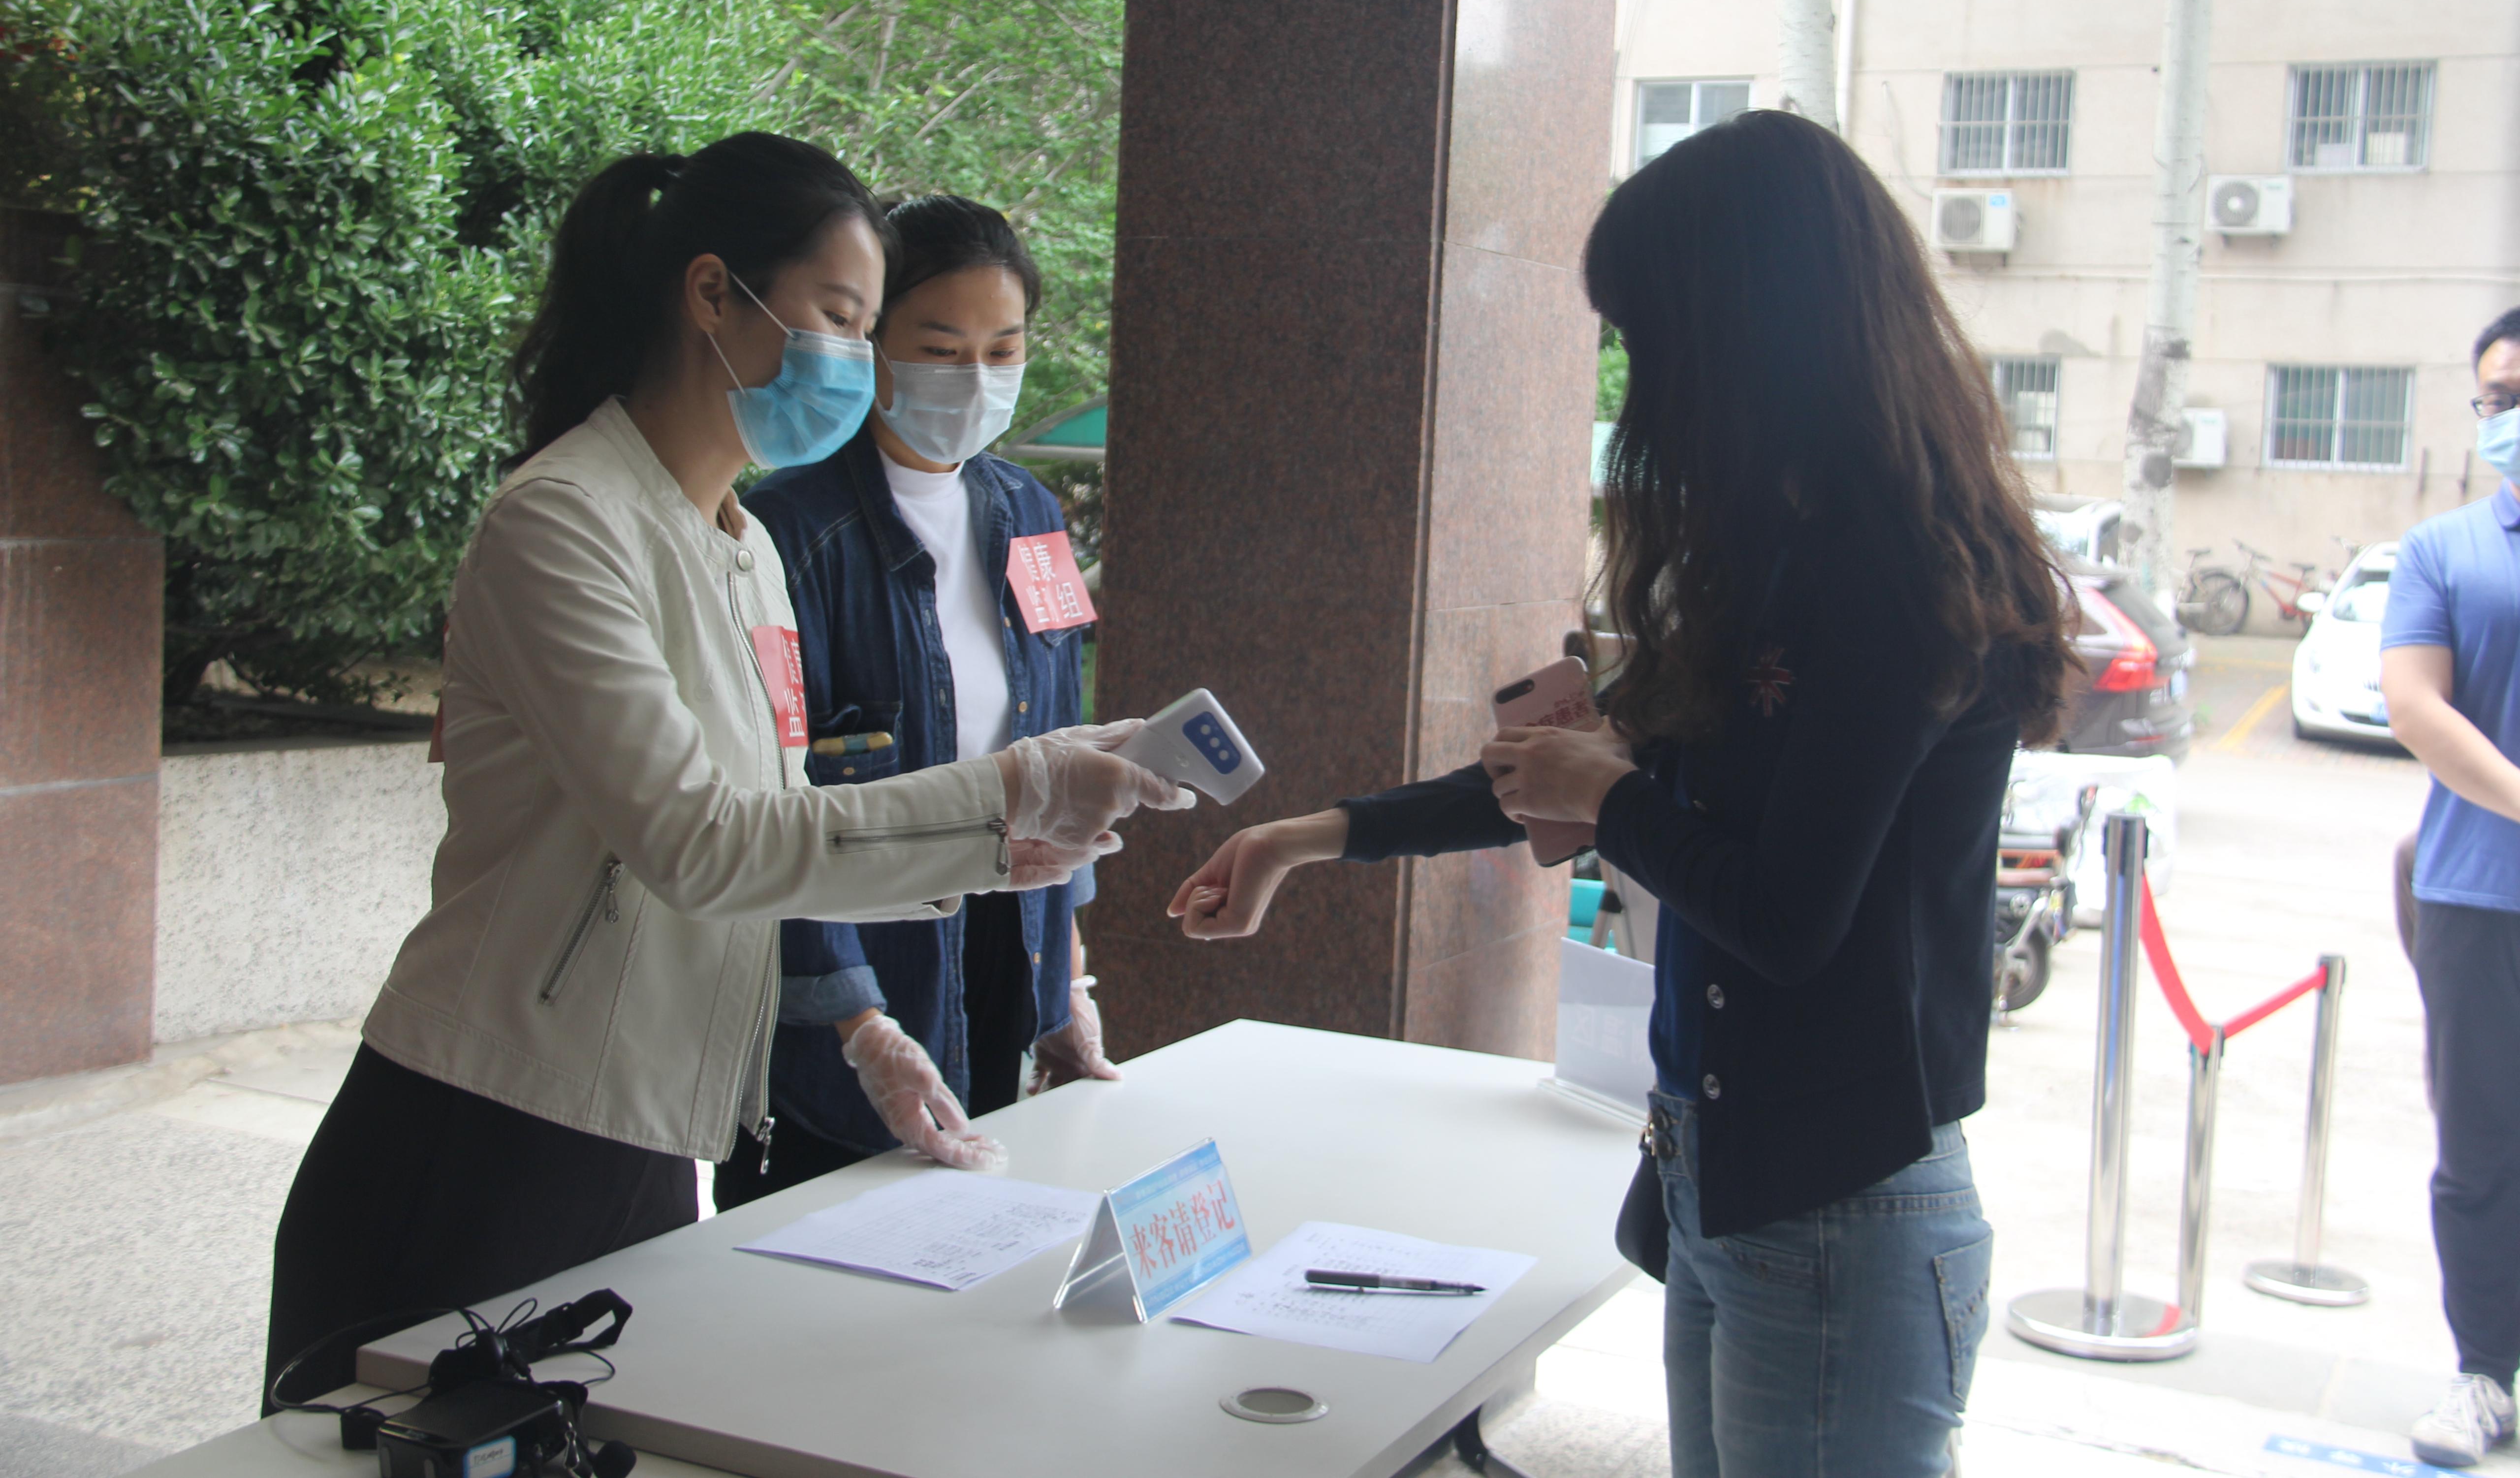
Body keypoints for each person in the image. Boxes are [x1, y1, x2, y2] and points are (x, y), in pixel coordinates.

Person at [1168, 110, 2069, 1478]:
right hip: (1726, 1174)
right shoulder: (1776, 557)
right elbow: (1572, 775)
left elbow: (1787, 917)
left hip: (1839, 1200)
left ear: (1750, 336)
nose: (1643, 391)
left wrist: (1614, 797)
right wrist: (1309, 837)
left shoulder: (1892, 578)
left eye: (1651, 339)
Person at [263, 134, 1188, 1402]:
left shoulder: (741, 544)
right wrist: (1006, 797)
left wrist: (993, 867)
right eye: (844, 320)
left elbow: (783, 825)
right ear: (713, 294)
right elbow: (699, 842)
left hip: (652, 1130)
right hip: (485, 1127)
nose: (856, 362)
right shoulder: (564, 524)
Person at [721, 195, 1117, 1203]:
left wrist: (1066, 980)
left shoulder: (1029, 512)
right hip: (852, 974)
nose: (975, 379)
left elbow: (1060, 752)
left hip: (1004, 945)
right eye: (941, 350)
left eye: (1003, 349)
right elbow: (773, 806)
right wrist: (858, 1023)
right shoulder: (784, 530)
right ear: (870, 342)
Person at [2380, 305, 2520, 1469]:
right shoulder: (2446, 550)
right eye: (2496, 398)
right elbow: (2416, 705)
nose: (2506, 415)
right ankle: (2484, 1374)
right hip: (2479, 895)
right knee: (2480, 1153)